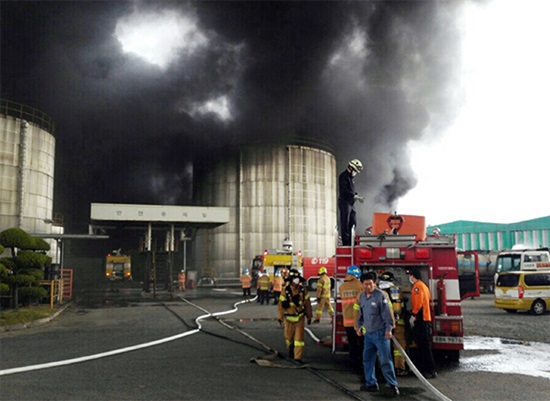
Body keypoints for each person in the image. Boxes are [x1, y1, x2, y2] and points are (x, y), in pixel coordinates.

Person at [356, 272, 400, 396]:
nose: (368, 286)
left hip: (381, 334)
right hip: (368, 335)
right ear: (362, 284)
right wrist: (359, 326)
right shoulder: (362, 297)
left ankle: (393, 385)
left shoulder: (381, 296)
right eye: (365, 284)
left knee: (385, 360)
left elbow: (387, 315)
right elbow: (361, 314)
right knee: (367, 359)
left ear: (375, 283)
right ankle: (371, 383)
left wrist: (389, 329)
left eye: (370, 284)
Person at [277, 269, 313, 364]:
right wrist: (280, 317)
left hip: (300, 318)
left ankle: (298, 357)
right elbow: (280, 306)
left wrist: (309, 316)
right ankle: (290, 348)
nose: (296, 281)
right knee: (288, 337)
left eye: (297, 279)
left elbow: (307, 304)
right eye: (295, 279)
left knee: (299, 339)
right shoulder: (285, 291)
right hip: (288, 319)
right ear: (291, 280)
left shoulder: (303, 291)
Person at [408, 269, 438, 379]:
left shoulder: (417, 287)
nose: (409, 278)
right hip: (425, 318)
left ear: (412, 276)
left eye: (410, 276)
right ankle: (427, 369)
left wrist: (413, 314)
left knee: (423, 346)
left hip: (421, 319)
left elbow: (418, 303)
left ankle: (429, 369)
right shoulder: (424, 286)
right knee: (424, 345)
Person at [378, 272, 408, 376]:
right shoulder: (395, 289)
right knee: (398, 347)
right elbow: (398, 309)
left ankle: (381, 368)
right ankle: (399, 368)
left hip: (379, 324)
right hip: (397, 323)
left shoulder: (376, 291)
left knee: (381, 347)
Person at [338, 265, 363, 373]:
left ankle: (353, 365)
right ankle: (362, 364)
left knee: (352, 344)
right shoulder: (359, 285)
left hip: (347, 321)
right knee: (363, 344)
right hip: (359, 321)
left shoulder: (342, 287)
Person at [338, 159, 364, 246]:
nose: (356, 173)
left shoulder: (351, 178)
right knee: (345, 221)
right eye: (356, 171)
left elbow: (351, 190)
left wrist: (356, 195)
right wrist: (353, 196)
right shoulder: (343, 176)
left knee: (353, 222)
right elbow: (344, 190)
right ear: (351, 168)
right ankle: (346, 242)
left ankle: (351, 240)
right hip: (345, 202)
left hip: (351, 203)